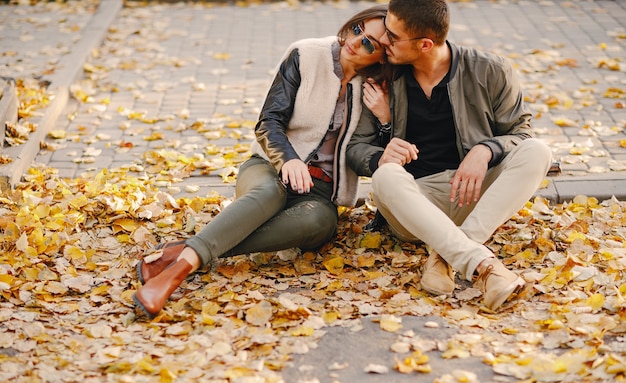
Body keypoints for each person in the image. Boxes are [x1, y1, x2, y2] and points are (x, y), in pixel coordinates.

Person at [133, 5, 394, 318]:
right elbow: (269, 120)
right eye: (356, 29)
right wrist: (288, 160)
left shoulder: (376, 89)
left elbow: (365, 155)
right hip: (269, 167)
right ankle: (178, 272)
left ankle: (182, 251)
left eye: (369, 43)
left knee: (321, 223)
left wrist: (385, 119)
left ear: (382, 56)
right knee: (271, 192)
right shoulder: (306, 55)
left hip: (319, 192)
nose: (355, 41)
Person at [346, 0, 553, 311]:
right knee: (385, 176)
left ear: (425, 44)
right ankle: (482, 264)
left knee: (538, 151)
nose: (384, 41)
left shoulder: (490, 70)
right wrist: (384, 142)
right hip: (415, 203)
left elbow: (521, 134)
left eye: (392, 35)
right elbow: (355, 149)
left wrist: (485, 150)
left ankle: (446, 255)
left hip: (474, 195)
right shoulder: (381, 78)